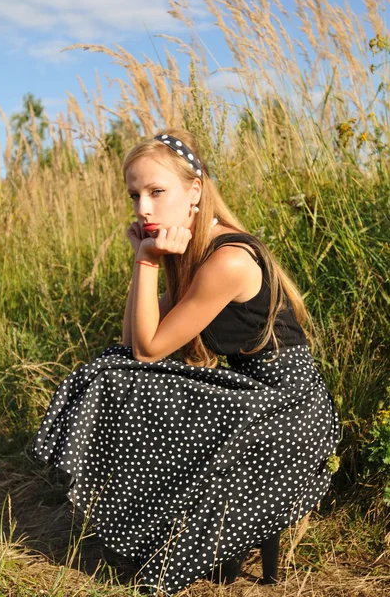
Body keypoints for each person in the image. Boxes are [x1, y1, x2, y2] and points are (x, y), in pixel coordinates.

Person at [33, 129, 341, 595]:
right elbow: (133, 340)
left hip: (290, 411)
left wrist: (146, 261)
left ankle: (142, 523)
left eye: (157, 192)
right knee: (112, 369)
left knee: (115, 375)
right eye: (135, 195)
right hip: (256, 395)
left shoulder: (228, 260)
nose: (143, 209)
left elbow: (147, 350)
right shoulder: (192, 251)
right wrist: (147, 257)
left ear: (194, 191)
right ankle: (138, 519)